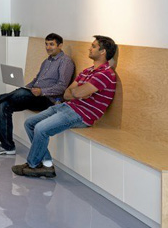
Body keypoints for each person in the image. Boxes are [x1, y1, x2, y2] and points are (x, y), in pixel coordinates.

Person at [12, 35, 118, 178]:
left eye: (93, 46)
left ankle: (33, 164)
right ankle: (47, 165)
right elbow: (67, 93)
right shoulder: (87, 71)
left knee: (40, 129)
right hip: (66, 106)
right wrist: (80, 93)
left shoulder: (105, 74)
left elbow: (76, 91)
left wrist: (78, 92)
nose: (90, 48)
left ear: (103, 51)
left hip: (81, 115)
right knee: (29, 123)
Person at [0, 33, 75, 156]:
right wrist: (28, 87)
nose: (48, 47)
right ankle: (7, 146)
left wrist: (41, 91)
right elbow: (36, 80)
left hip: (48, 100)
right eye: (46, 44)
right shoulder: (46, 61)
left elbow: (62, 87)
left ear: (60, 45)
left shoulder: (65, 62)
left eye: (51, 44)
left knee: (20, 93)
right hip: (35, 96)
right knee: (5, 104)